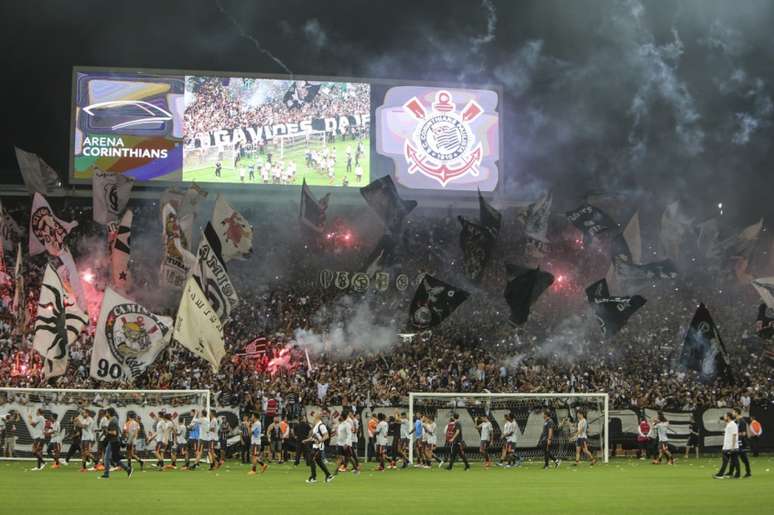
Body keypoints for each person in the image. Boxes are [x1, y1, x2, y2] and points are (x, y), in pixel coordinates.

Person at [99, 408, 132, 479]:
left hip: (114, 441)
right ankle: (107, 474)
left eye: (106, 412)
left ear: (109, 413)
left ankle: (127, 469)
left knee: (113, 458)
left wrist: (107, 431)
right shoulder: (114, 419)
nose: (106, 413)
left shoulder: (113, 421)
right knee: (108, 458)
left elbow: (114, 433)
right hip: (112, 441)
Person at [303, 412, 334, 484]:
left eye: (315, 414)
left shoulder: (321, 425)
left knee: (311, 459)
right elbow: (313, 437)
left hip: (319, 447)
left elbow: (326, 436)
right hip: (315, 446)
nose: (314, 415)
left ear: (318, 416)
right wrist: (306, 440)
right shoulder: (316, 425)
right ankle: (328, 475)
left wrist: (320, 440)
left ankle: (313, 478)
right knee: (319, 462)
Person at [714, 412, 739, 480]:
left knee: (729, 460)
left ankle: (721, 474)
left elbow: (734, 435)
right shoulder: (729, 424)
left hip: (730, 446)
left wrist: (733, 447)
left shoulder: (733, 424)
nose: (724, 417)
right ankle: (724, 474)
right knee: (730, 461)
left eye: (725, 416)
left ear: (728, 417)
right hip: (727, 446)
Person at [732, 408, 751, 478]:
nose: (732, 413)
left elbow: (744, 433)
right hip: (737, 441)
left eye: (733, 412)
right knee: (740, 458)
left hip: (741, 442)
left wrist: (734, 434)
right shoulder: (736, 421)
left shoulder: (742, 421)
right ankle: (746, 472)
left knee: (741, 458)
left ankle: (739, 473)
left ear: (737, 412)